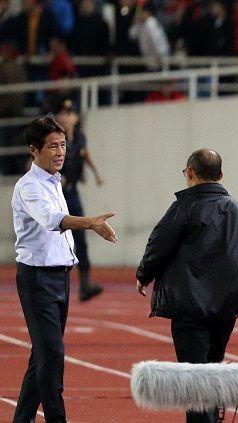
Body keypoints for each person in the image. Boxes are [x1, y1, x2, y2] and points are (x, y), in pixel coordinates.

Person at [136, 149, 238, 423]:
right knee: (213, 372)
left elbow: (159, 245)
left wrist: (144, 273)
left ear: (190, 172)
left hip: (189, 306)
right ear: (221, 175)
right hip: (227, 307)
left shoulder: (184, 207)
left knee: (193, 381)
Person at [12, 116, 117, 423]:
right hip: (37, 278)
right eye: (52, 146)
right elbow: (51, 219)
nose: (60, 152)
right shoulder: (29, 186)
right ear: (34, 150)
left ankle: (22, 419)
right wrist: (91, 223)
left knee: (43, 355)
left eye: (63, 145)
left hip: (60, 275)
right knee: (52, 354)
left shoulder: (54, 180)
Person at [55, 99, 106, 302]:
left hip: (72, 191)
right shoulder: (56, 138)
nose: (67, 117)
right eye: (63, 113)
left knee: (81, 236)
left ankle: (84, 285)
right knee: (54, 235)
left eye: (70, 113)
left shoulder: (79, 137)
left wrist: (96, 173)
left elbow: (85, 154)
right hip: (57, 192)